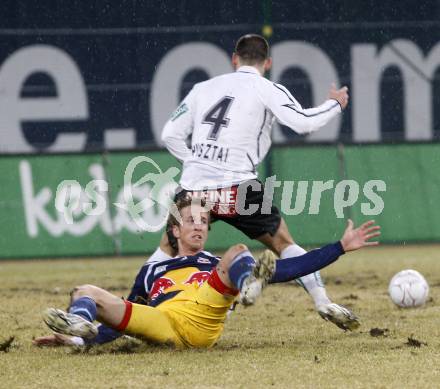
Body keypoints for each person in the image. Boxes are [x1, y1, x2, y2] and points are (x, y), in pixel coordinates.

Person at [157, 33, 355, 330]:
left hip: (194, 187)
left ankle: (143, 310)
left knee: (167, 251)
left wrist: (194, 161)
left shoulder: (202, 88)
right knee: (283, 244)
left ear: (234, 59)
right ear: (268, 62)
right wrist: (335, 104)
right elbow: (303, 122)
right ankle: (323, 302)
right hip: (239, 187)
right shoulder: (267, 89)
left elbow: (169, 134)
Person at [37, 198, 380, 349]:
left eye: (203, 221)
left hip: (203, 319)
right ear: (174, 231)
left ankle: (248, 287)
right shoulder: (152, 269)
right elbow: (120, 322)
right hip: (161, 325)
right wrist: (84, 340)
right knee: (86, 291)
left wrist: (339, 247)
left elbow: (288, 268)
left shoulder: (212, 264)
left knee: (239, 253)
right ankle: (78, 326)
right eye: (191, 220)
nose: (199, 225)